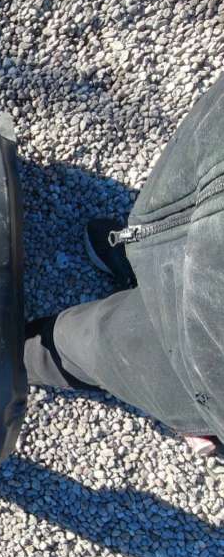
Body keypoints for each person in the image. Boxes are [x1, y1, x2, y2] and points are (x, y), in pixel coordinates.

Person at [24, 74, 224, 457]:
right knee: (166, 220)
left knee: (94, 341)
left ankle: (24, 355)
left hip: (211, 338)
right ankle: (146, 260)